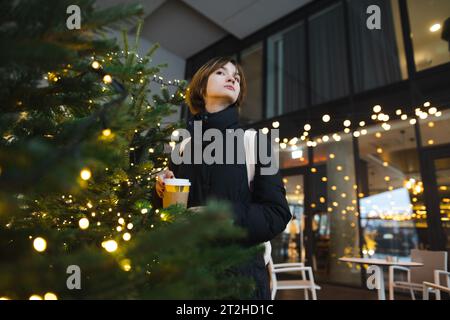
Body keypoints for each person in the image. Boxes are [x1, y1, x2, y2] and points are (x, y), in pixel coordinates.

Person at [154, 57, 291, 299]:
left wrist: (221, 217)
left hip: (240, 281)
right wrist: (159, 191)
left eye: (236, 77)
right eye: (221, 73)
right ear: (200, 87)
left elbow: (277, 213)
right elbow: (168, 213)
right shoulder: (183, 146)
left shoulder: (256, 142)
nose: (232, 78)